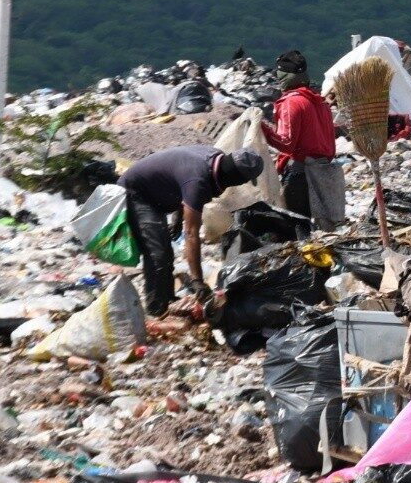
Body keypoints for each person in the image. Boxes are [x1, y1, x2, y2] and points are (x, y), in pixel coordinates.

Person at [118, 146, 264, 317]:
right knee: (158, 253)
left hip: (154, 193)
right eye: (244, 180)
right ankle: (156, 312)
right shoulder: (199, 180)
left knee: (165, 251)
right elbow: (191, 234)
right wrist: (197, 281)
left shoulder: (214, 159)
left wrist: (178, 218)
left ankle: (168, 302)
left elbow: (182, 183)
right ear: (237, 179)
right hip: (134, 192)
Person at [261, 50, 346, 231]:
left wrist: (263, 130)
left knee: (298, 227)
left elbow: (286, 143)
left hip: (299, 175)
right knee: (317, 229)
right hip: (322, 172)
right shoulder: (320, 103)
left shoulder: (291, 103)